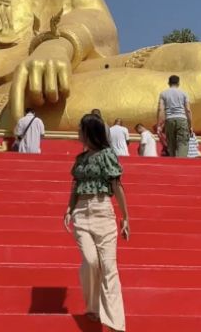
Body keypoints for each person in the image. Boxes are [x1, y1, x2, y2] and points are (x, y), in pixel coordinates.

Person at [64, 113, 129, 332]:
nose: (78, 133)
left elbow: (117, 185)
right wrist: (69, 209)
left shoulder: (107, 155)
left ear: (89, 132)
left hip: (103, 211)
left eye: (80, 129)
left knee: (109, 267)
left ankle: (115, 324)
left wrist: (125, 216)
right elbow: (75, 186)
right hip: (81, 213)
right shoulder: (80, 160)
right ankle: (92, 305)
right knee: (91, 261)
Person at [157, 75, 192, 158]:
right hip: (182, 119)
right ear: (178, 83)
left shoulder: (163, 93)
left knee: (171, 144)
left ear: (168, 83)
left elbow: (161, 110)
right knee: (182, 143)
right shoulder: (184, 93)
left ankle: (172, 161)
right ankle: (181, 162)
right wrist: (190, 125)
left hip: (169, 119)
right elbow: (188, 110)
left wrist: (159, 125)